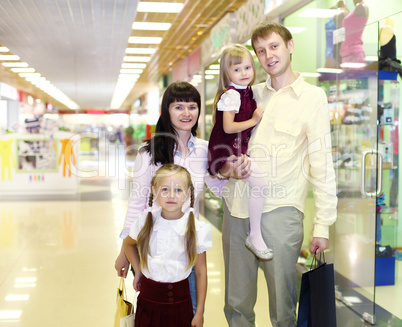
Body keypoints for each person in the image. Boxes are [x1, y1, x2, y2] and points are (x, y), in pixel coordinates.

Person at [219, 22, 338, 326]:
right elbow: (221, 144)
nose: (268, 55)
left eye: (274, 46)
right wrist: (227, 167)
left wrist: (322, 225)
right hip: (236, 209)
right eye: (261, 50)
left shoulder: (312, 98)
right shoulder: (249, 95)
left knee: (283, 309)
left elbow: (322, 163)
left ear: (290, 46)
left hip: (280, 213)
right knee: (236, 305)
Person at [114, 81, 231, 313]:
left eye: (192, 106)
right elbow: (137, 202)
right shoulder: (148, 152)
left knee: (187, 311)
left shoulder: (205, 151)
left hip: (187, 246)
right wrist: (124, 252)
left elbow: (222, 189)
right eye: (178, 107)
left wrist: (235, 170)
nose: (186, 113)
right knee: (157, 313)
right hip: (153, 249)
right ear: (167, 110)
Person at [123, 164, 211, 327]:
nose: (171, 195)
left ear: (188, 193)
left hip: (181, 305)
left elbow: (200, 272)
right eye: (165, 189)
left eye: (178, 190)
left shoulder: (197, 228)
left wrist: (199, 313)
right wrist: (138, 271)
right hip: (147, 303)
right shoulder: (144, 222)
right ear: (154, 191)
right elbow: (128, 244)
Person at [208, 44, 272, 260]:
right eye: (237, 70)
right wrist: (253, 120)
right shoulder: (231, 96)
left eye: (247, 67)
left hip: (234, 151)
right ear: (226, 73)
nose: (244, 73)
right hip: (225, 152)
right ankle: (254, 235)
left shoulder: (246, 93)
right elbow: (228, 127)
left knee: (259, 185)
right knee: (261, 184)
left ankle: (255, 234)